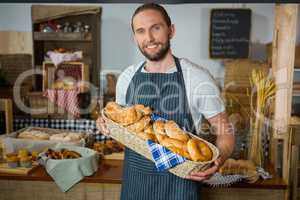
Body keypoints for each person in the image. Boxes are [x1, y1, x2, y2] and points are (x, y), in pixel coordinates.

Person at [97, 3, 235, 200]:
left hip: (179, 189)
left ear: (171, 30)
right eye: (141, 31)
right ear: (135, 37)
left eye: (156, 28)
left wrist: (217, 162)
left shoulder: (197, 77)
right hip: (135, 187)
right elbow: (123, 128)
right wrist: (105, 124)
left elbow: (226, 133)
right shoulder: (127, 77)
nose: (149, 38)